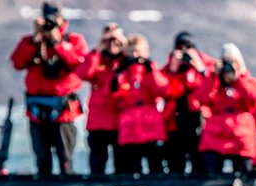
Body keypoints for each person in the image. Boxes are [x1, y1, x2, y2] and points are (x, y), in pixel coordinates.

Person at [10, 1, 88, 175]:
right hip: (36, 112)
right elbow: (17, 63)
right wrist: (34, 39)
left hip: (63, 111)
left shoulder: (73, 40)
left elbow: (80, 65)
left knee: (65, 160)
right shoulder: (32, 41)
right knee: (42, 161)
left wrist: (58, 43)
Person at [192, 43, 256, 176]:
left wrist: (238, 79)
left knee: (245, 171)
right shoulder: (214, 83)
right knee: (211, 169)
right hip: (215, 135)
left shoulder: (248, 81)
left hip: (242, 136)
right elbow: (201, 98)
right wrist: (214, 76)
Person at [111, 34, 170, 174]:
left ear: (146, 52)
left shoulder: (151, 70)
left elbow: (164, 90)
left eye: (138, 51)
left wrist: (152, 71)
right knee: (131, 168)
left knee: (156, 167)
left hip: (151, 126)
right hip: (129, 127)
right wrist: (118, 74)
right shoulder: (121, 71)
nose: (135, 55)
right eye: (131, 51)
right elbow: (115, 95)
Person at [76, 23, 127, 174]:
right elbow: (83, 74)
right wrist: (98, 48)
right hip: (98, 121)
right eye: (108, 38)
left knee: (122, 165)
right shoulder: (97, 58)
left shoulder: (127, 60)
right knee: (97, 163)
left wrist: (124, 44)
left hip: (121, 121)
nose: (112, 42)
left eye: (115, 38)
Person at [162, 32, 215, 175]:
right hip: (175, 122)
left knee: (199, 162)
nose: (184, 51)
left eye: (188, 47)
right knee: (175, 162)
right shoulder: (169, 68)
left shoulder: (208, 65)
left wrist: (200, 68)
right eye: (180, 47)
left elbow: (212, 90)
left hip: (198, 121)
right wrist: (173, 69)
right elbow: (164, 90)